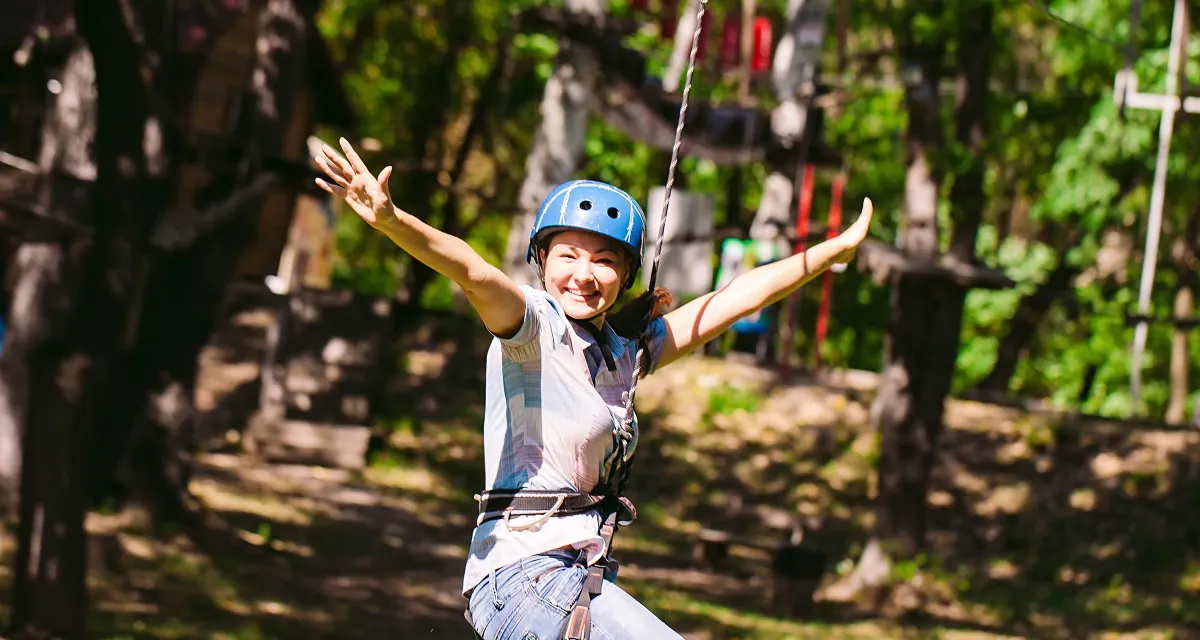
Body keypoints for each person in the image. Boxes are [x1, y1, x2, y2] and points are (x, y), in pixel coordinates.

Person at [314, 138, 874, 639]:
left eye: (605, 260)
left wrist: (826, 254)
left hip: (572, 582)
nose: (585, 274)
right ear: (541, 260)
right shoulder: (531, 328)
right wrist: (392, 221)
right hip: (523, 578)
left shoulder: (623, 356)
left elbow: (733, 301)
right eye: (568, 255)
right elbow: (473, 271)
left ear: (626, 275)